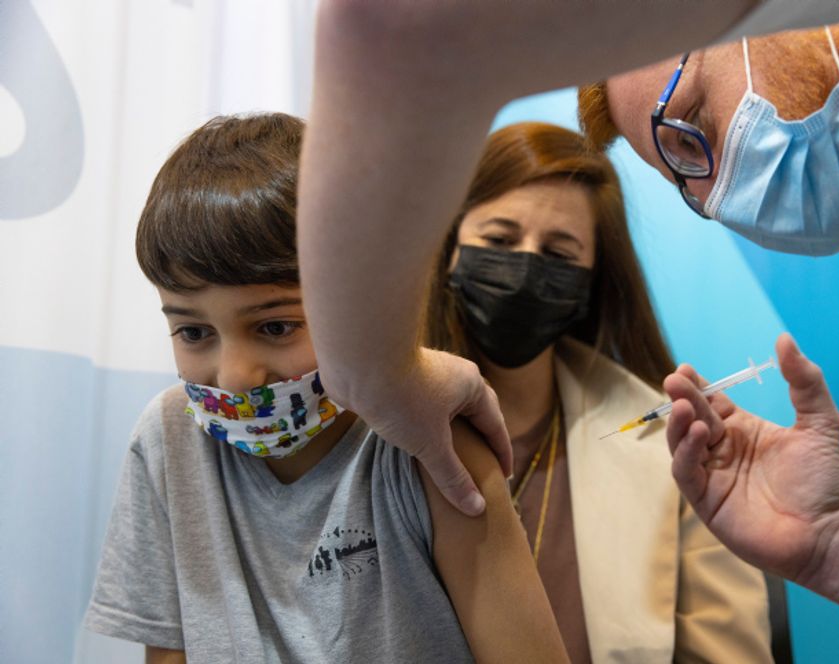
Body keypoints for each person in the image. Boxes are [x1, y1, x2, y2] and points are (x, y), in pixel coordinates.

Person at [297, 1, 839, 661]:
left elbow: (395, 21)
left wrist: (373, 374)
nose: (723, 190)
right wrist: (837, 541)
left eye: (690, 120)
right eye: (684, 181)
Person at [83, 113, 568, 663]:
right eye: (194, 332)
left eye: (275, 327)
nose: (237, 374)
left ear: (360, 303)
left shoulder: (429, 442)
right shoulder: (167, 439)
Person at [426, 121, 773, 663]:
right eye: (498, 241)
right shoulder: (369, 425)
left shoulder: (670, 444)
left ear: (590, 284)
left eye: (559, 254)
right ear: (450, 248)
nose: (523, 268)